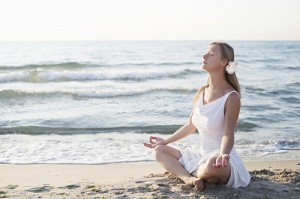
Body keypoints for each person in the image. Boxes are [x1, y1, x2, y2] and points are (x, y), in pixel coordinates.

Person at [143, 42, 251, 191]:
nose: (204, 55)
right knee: (159, 151)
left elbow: (228, 134)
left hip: (221, 159)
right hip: (201, 156)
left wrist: (224, 154)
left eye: (211, 54)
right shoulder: (202, 92)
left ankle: (198, 172)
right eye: (205, 52)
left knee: (211, 167)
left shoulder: (231, 97)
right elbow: (190, 126)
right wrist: (165, 141)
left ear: (224, 62)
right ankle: (190, 179)